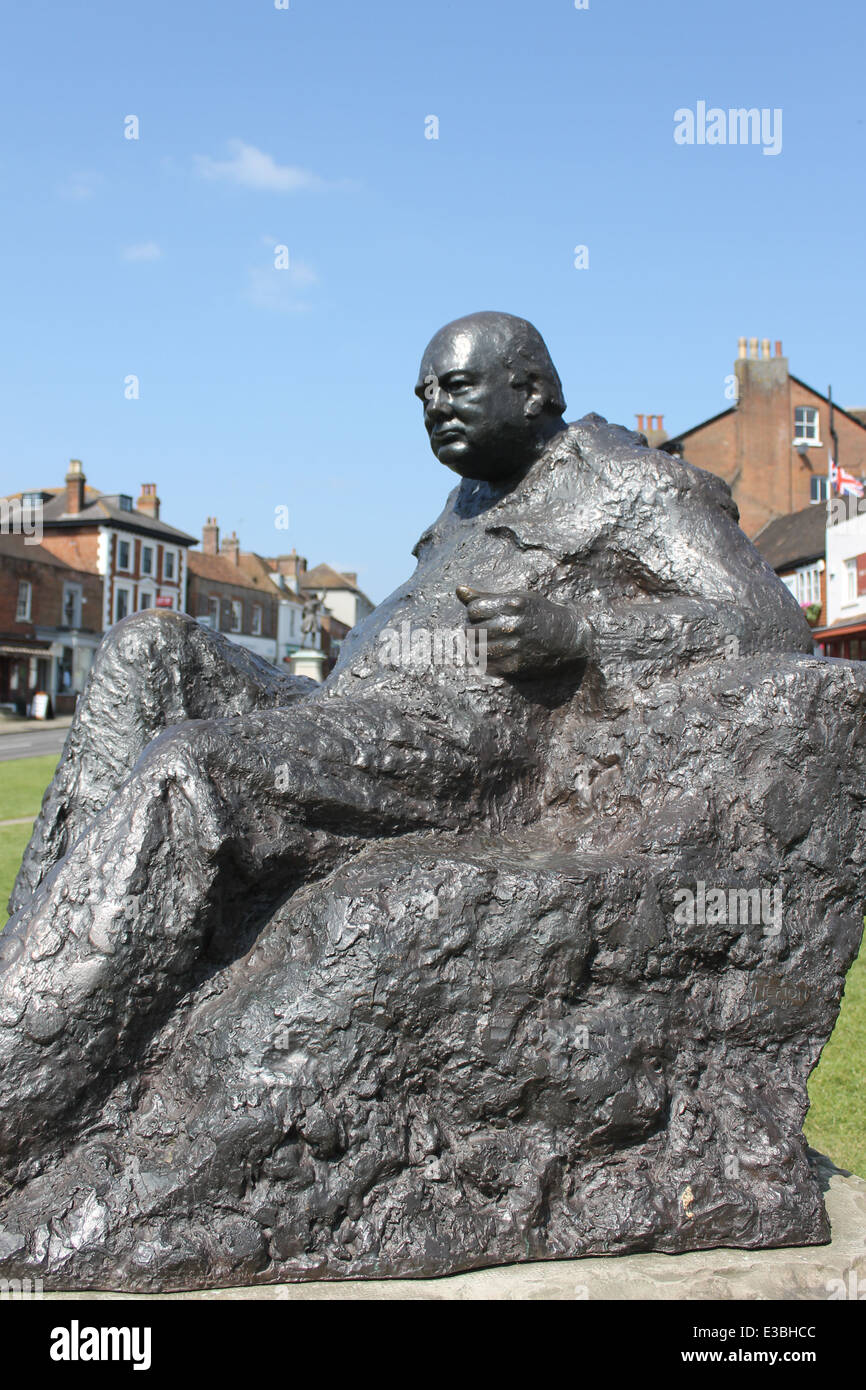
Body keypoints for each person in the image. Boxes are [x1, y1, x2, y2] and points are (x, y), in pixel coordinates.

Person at [0, 311, 812, 1187]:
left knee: (191, 764)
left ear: (534, 390)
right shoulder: (470, 495)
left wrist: (580, 631)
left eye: (455, 388)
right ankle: (26, 974)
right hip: (348, 715)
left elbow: (770, 625)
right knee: (147, 650)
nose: (433, 408)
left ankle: (38, 1072)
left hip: (446, 752)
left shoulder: (633, 484)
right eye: (423, 395)